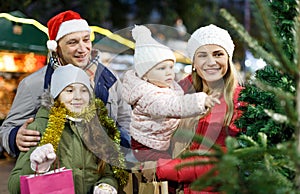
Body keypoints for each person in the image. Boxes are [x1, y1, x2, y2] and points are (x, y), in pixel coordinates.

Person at [0, 10, 132, 158]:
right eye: (72, 42)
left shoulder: (109, 78)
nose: (82, 49)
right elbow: (7, 129)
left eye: (86, 40)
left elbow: (125, 120)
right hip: (59, 174)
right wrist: (15, 137)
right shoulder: (34, 84)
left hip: (104, 173)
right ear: (56, 48)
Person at [142, 24, 245, 194]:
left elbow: (222, 164)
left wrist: (162, 168)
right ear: (194, 62)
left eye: (218, 54)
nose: (211, 62)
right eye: (202, 55)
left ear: (228, 58)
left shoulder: (240, 102)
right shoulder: (177, 94)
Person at [8, 64, 122, 194]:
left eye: (84, 90)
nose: (78, 97)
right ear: (57, 95)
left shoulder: (96, 129)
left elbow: (107, 173)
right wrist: (34, 167)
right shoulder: (39, 128)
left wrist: (107, 185)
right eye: (69, 90)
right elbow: (14, 187)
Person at [122, 25, 220, 162]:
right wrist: (199, 101)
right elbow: (170, 105)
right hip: (147, 146)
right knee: (167, 164)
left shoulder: (169, 86)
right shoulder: (148, 95)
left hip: (160, 140)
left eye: (171, 67)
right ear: (145, 75)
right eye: (162, 68)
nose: (169, 72)